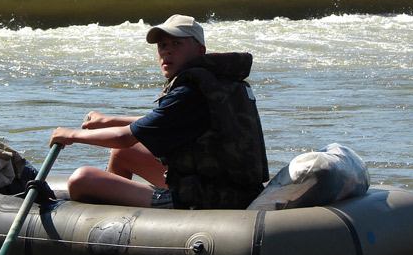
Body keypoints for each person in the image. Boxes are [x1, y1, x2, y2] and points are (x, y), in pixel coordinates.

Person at [49, 14, 269, 210]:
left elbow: (124, 137)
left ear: (199, 50)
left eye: (177, 43)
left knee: (82, 179)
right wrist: (108, 120)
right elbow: (167, 121)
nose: (167, 50)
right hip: (225, 188)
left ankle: (120, 225)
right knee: (122, 154)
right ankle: (115, 218)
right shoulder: (217, 82)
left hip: (208, 199)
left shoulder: (190, 91)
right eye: (162, 45)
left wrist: (70, 136)